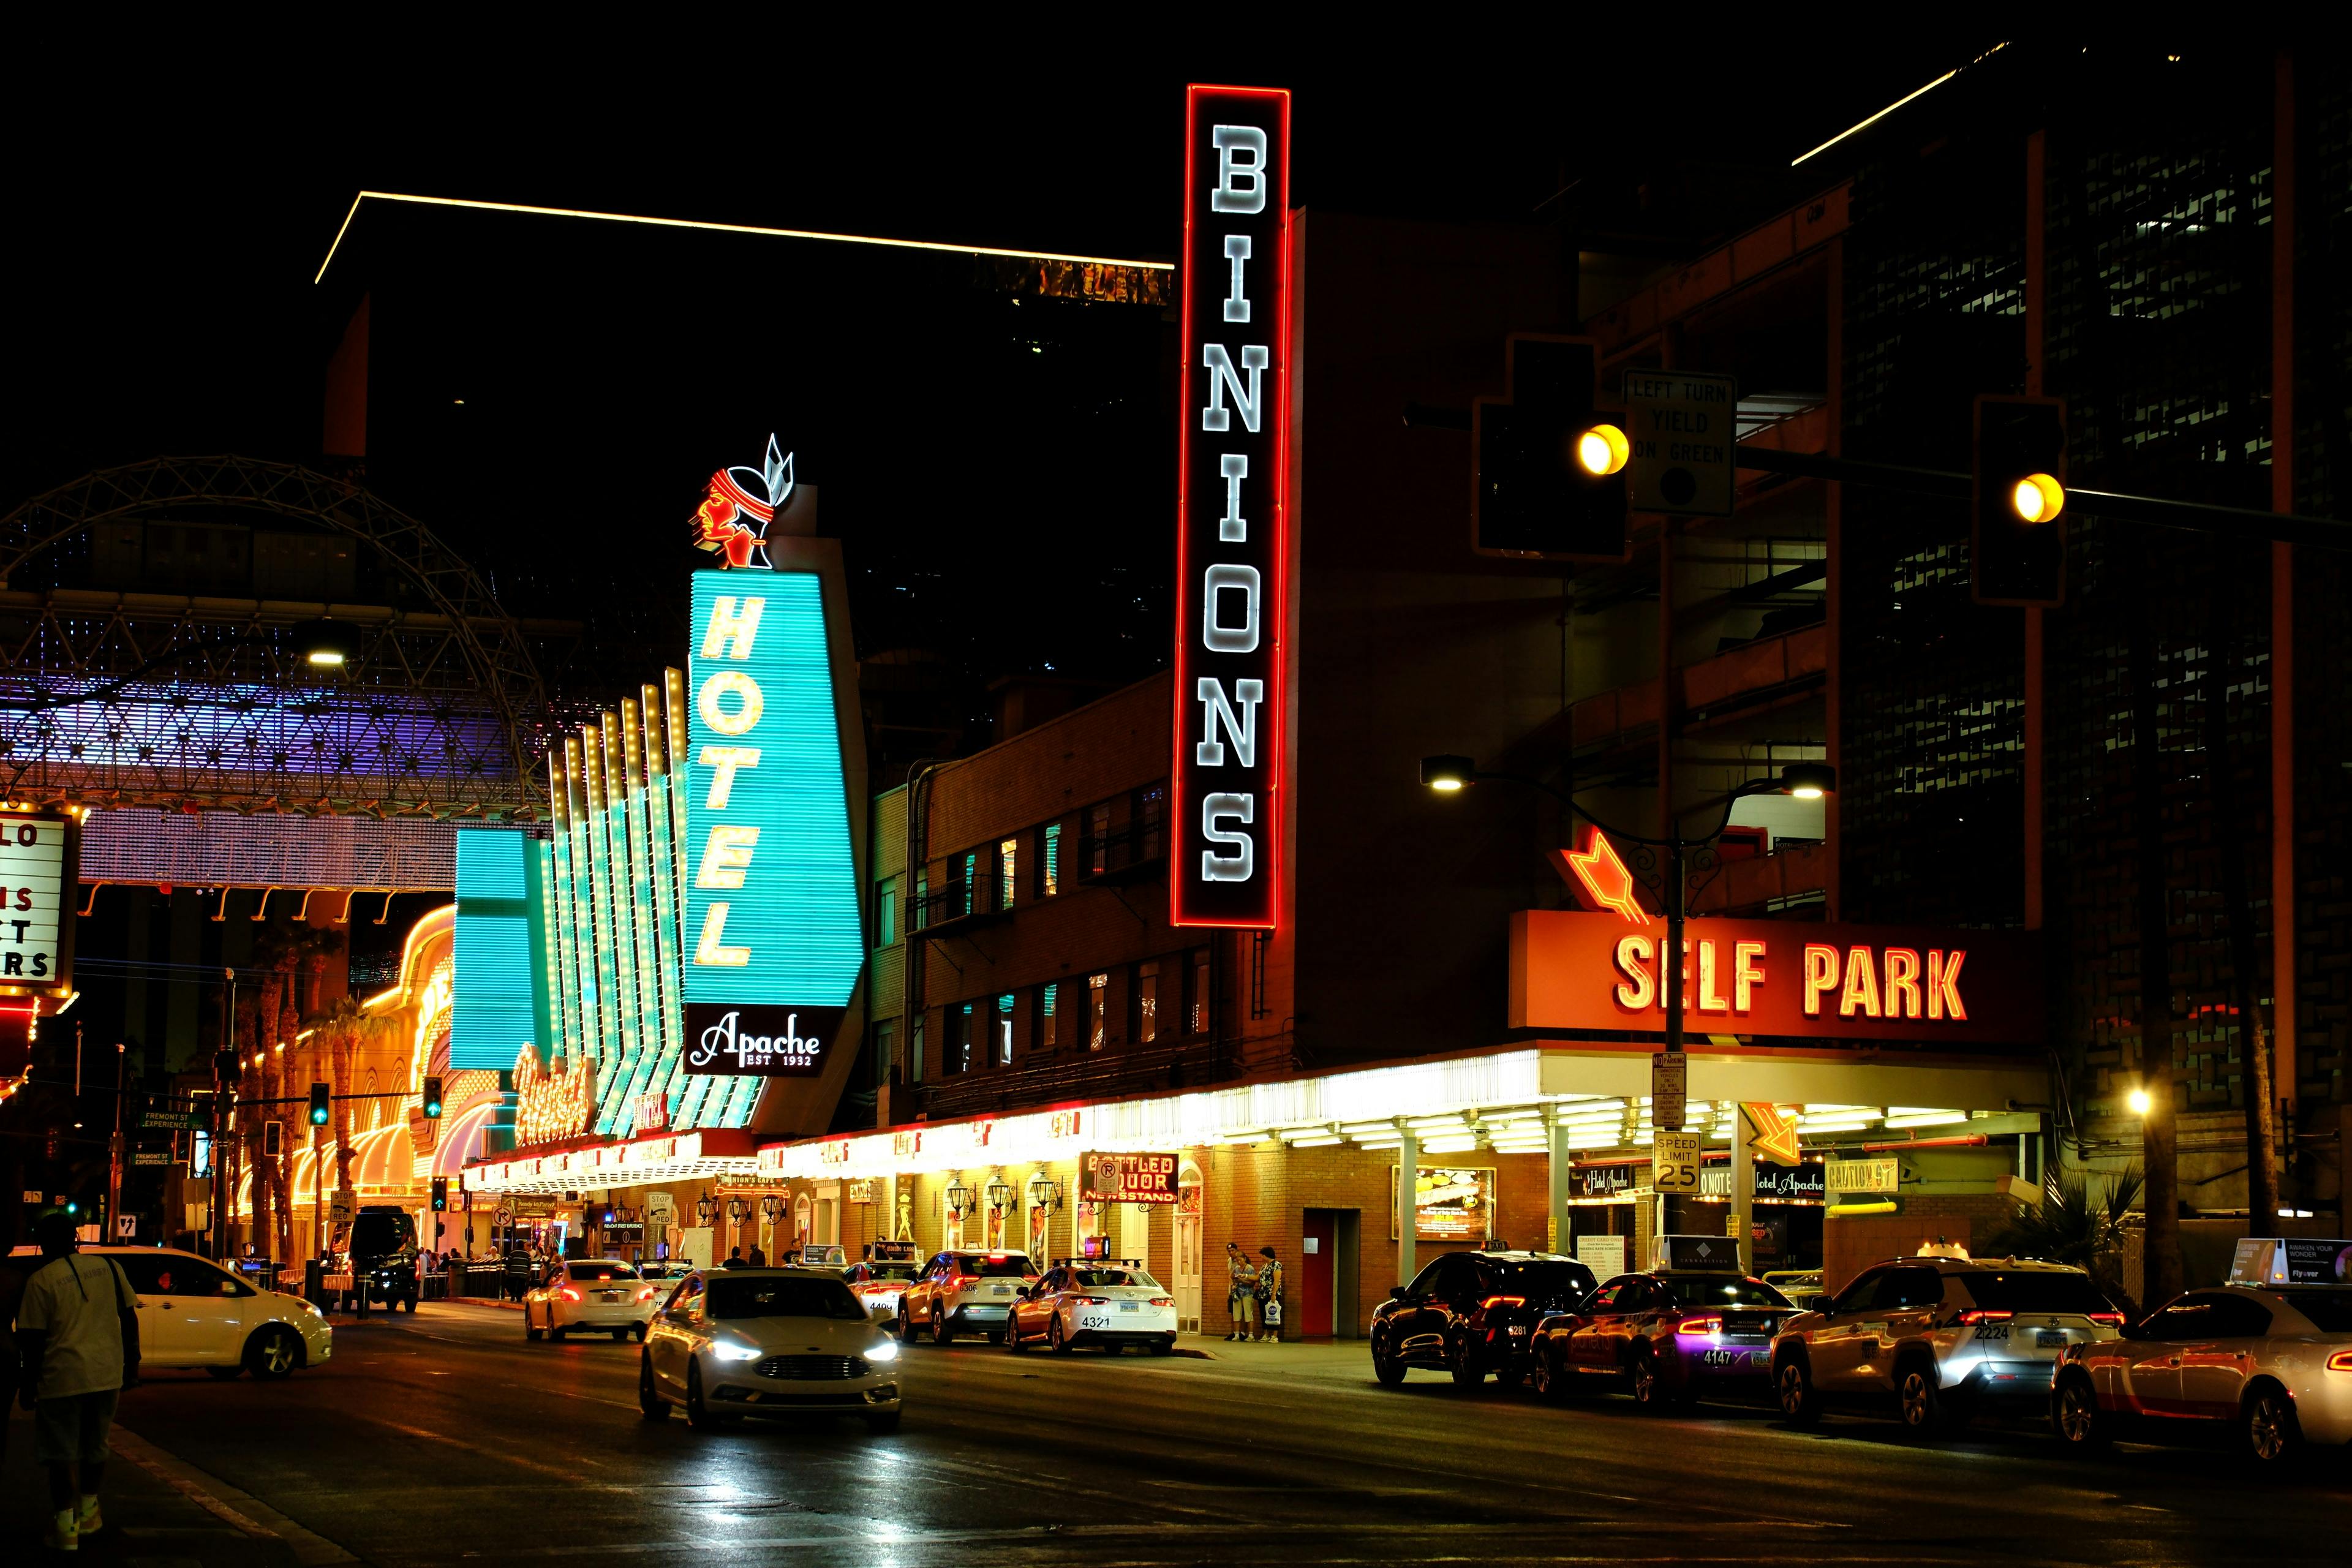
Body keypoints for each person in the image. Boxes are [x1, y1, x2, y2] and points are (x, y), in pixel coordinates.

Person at [16, 1210, 140, 1551]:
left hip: (62, 1378)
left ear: (43, 1243)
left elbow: (32, 1339)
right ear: (75, 1239)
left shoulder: (41, 1281)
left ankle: (65, 1527)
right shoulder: (111, 1269)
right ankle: (89, 1512)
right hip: (106, 1374)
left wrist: (27, 1386)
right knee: (96, 1446)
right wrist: (132, 1365)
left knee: (61, 1453)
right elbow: (129, 1319)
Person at [1223, 1242, 1257, 1342]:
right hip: (1237, 1293)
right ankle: (1236, 1334)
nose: (1239, 1263)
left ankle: (1250, 1335)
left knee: (1248, 1314)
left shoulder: (1250, 1268)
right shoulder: (1236, 1268)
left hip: (1247, 1293)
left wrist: (1242, 1280)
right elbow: (1231, 1276)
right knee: (1236, 1313)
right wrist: (1233, 1284)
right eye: (1237, 1261)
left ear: (1245, 1259)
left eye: (1240, 1260)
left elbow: (1252, 1282)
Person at [1255, 1246, 1286, 1344]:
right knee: (1264, 1314)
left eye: (1262, 1256)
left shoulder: (1277, 1265)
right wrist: (1245, 1277)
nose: (1261, 1258)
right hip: (1262, 1293)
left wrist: (1274, 1294)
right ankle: (1266, 1334)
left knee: (1273, 1313)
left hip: (1271, 1293)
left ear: (1266, 1255)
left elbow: (1277, 1281)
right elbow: (1258, 1278)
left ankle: (1275, 1335)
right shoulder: (1264, 1266)